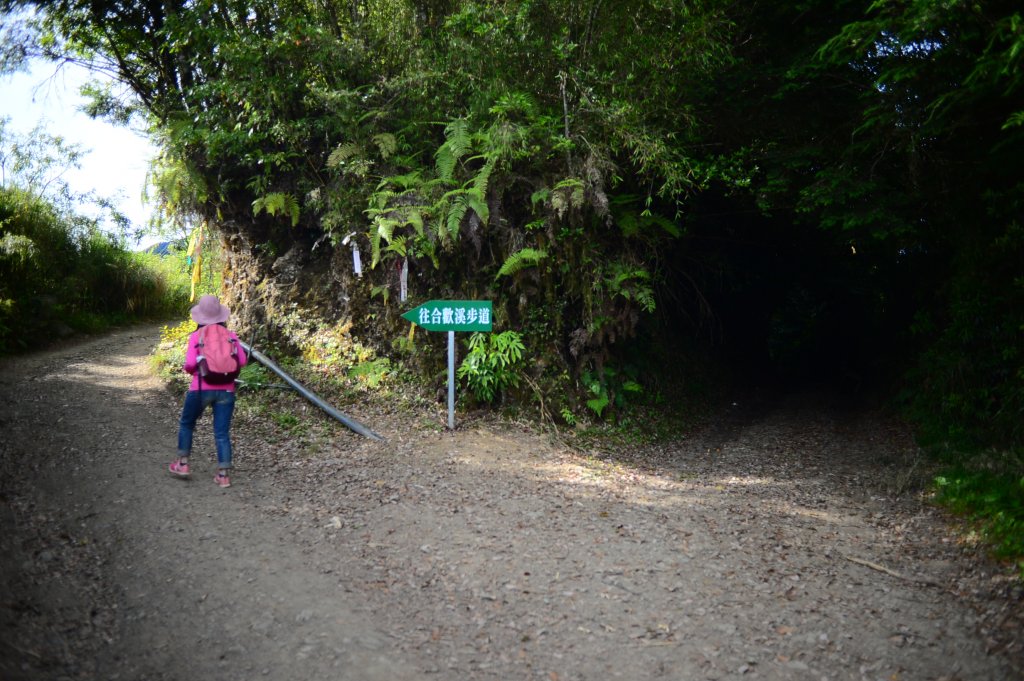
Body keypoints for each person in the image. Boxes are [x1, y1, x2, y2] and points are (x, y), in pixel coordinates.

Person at [168, 294, 248, 488]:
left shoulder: (197, 336)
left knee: (187, 423)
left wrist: (197, 369)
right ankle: (223, 475)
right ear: (221, 315)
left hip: (201, 388)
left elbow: (188, 364)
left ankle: (183, 464)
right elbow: (243, 361)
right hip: (227, 390)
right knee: (222, 433)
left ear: (200, 316)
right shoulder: (231, 335)